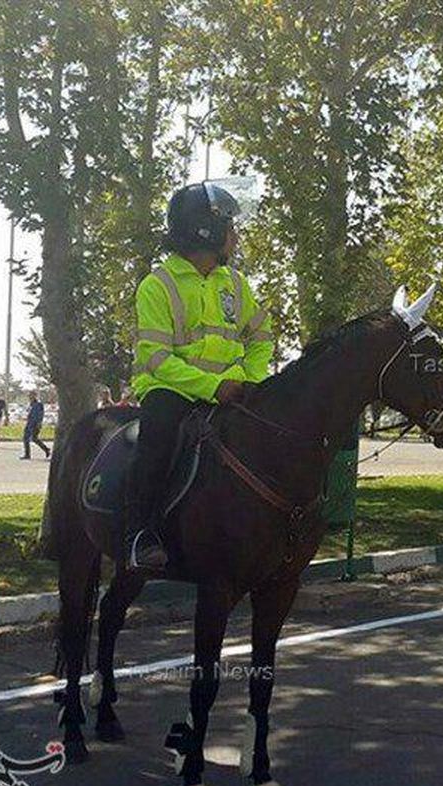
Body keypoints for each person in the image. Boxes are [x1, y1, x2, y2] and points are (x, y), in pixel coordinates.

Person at [124, 182, 273, 570]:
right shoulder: (157, 286)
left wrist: (252, 381)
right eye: (230, 228)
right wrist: (212, 386)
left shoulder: (236, 284)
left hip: (232, 391)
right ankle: (142, 533)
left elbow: (262, 338)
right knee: (157, 438)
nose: (236, 237)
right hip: (171, 389)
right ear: (205, 230)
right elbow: (156, 357)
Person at [20, 391, 50, 460]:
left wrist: (39, 423)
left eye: (31, 395)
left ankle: (46, 449)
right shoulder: (31, 404)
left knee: (34, 438)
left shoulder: (39, 404)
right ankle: (27, 454)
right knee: (26, 438)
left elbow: (40, 415)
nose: (30, 397)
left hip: (35, 424)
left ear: (35, 396)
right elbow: (30, 413)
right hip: (29, 423)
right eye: (29, 396)